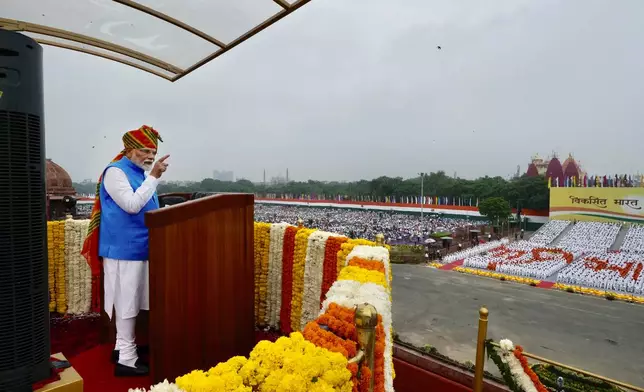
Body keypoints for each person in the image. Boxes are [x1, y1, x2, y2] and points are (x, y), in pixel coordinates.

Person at [82, 125, 169, 377]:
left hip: (141, 247)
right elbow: (132, 205)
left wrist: (150, 178)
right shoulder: (116, 172)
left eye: (153, 151)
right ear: (129, 150)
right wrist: (153, 177)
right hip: (123, 249)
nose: (150, 156)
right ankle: (127, 361)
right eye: (144, 150)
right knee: (127, 302)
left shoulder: (140, 173)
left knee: (132, 300)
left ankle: (122, 348)